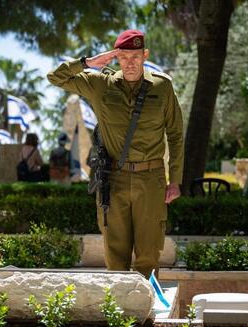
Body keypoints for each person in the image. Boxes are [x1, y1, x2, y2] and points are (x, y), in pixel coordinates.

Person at [47, 29, 184, 278]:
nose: (130, 63)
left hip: (151, 178)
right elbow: (55, 77)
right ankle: (121, 309)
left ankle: (145, 310)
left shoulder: (162, 87)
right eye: (124, 57)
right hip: (114, 179)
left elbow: (175, 134)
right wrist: (87, 63)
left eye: (135, 56)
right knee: (115, 253)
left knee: (148, 254)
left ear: (145, 55)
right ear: (116, 58)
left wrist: (174, 180)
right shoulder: (100, 85)